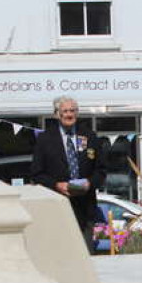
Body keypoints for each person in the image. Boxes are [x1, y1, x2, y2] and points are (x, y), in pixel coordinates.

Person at [30, 95, 106, 253]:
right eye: (65, 111)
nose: (69, 114)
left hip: (85, 208)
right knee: (60, 254)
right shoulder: (45, 139)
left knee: (85, 255)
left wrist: (90, 183)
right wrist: (56, 185)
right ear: (57, 114)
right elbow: (36, 173)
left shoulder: (90, 136)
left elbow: (101, 171)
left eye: (72, 110)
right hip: (57, 206)